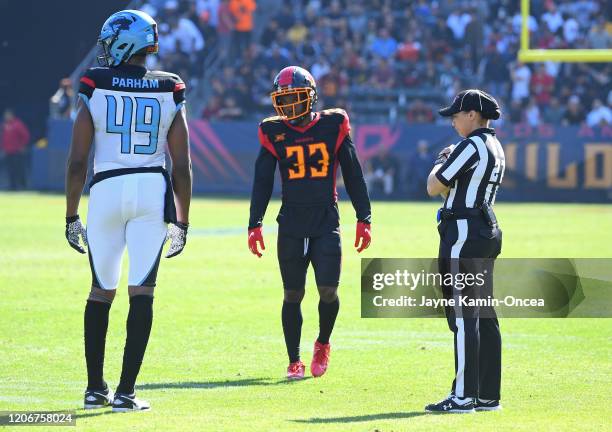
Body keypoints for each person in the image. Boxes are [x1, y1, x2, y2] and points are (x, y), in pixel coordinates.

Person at [65, 9, 192, 412]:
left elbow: (76, 161)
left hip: (105, 188)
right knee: (142, 291)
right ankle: (125, 393)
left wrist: (71, 215)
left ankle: (93, 389)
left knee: (101, 291)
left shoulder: (96, 84)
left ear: (123, 42)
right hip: (151, 190)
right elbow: (183, 165)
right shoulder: (170, 87)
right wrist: (183, 221)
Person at [248, 66, 371, 380]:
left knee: (328, 290)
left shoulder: (334, 124)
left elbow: (353, 172)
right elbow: (262, 180)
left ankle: (323, 342)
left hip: (325, 218)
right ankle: (293, 360)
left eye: (296, 98)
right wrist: (255, 222)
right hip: (291, 221)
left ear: (312, 97)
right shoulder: (273, 130)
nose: (289, 106)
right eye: (284, 100)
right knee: (292, 294)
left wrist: (363, 216)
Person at [425, 89, 505, 413]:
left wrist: (442, 160)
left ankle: (462, 396)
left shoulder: (470, 145)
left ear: (472, 114)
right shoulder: (496, 146)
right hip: (485, 232)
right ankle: (487, 395)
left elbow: (433, 186)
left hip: (463, 234)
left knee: (462, 317)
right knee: (483, 314)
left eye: (456, 115)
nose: (454, 121)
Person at [1, 109, 30, 190]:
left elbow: (26, 135)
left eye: (8, 115)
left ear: (12, 115)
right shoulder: (4, 125)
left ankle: (23, 186)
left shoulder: (17, 124)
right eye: (5, 115)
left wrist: (23, 146)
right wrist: (3, 148)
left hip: (17, 151)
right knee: (10, 170)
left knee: (19, 169)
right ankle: (12, 186)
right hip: (7, 151)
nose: (6, 116)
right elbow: (3, 138)